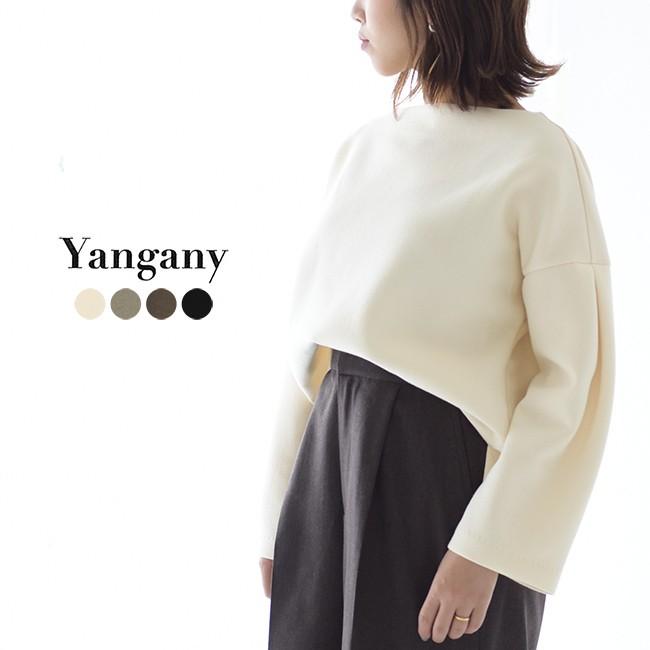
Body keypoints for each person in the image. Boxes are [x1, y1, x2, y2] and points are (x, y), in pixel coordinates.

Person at [258, 0, 615, 648]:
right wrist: (277, 514)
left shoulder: (538, 157)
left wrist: (491, 544)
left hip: (446, 496)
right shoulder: (363, 149)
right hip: (326, 474)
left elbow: (572, 379)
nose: (354, 9)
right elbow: (309, 356)